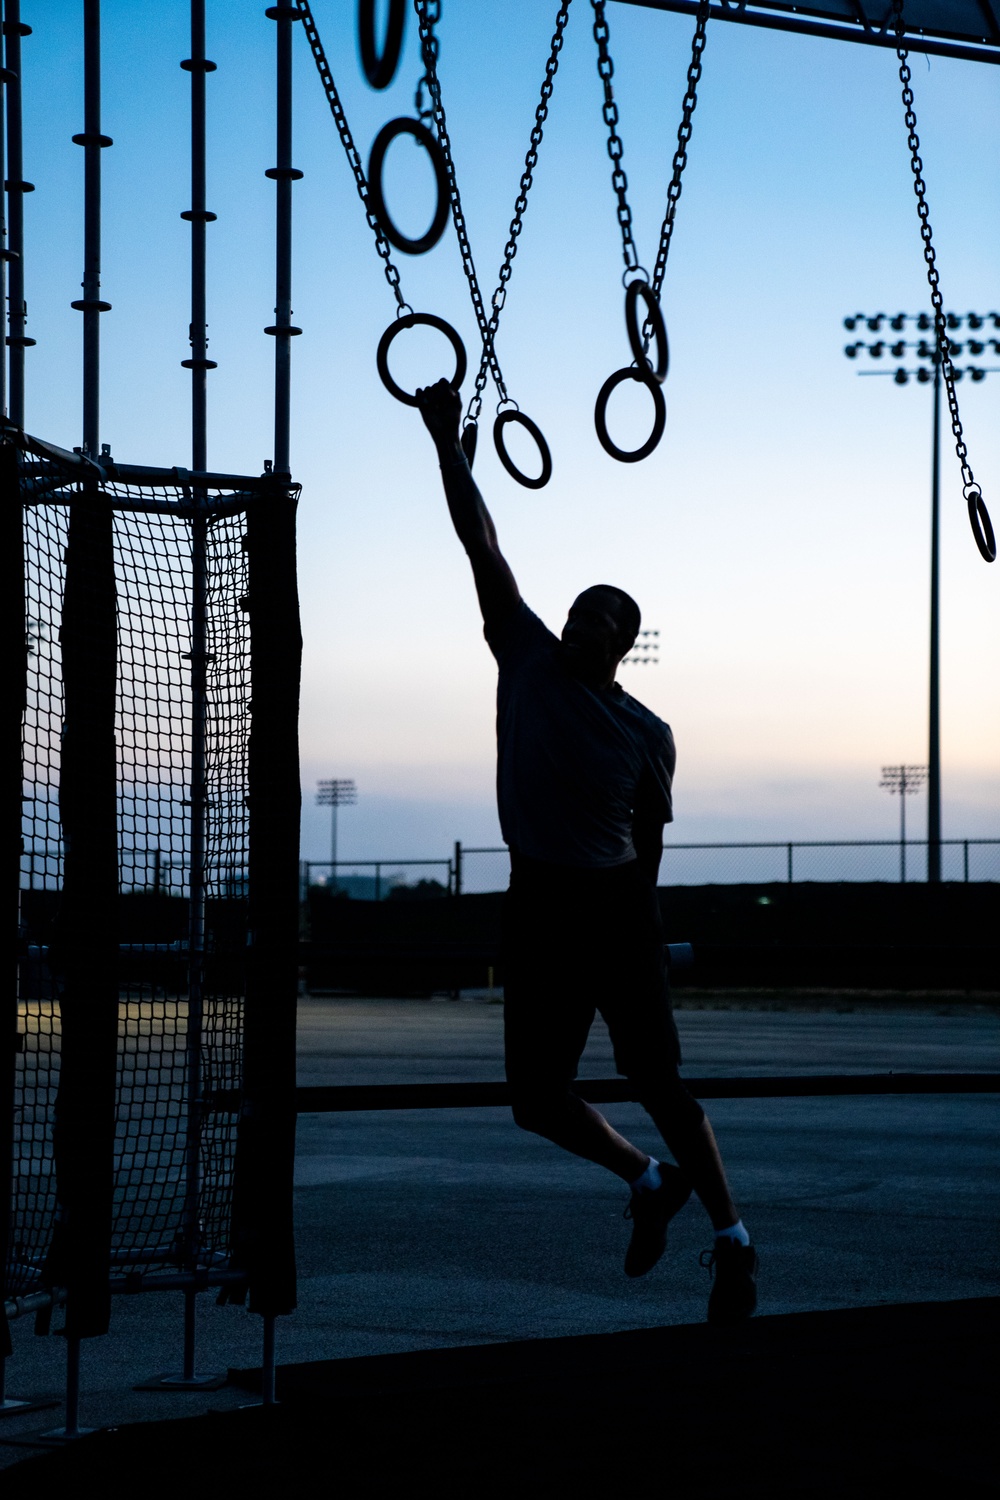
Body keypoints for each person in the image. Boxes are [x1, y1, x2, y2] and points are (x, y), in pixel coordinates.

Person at [416, 379, 757, 1323]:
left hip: (613, 910)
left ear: (623, 642)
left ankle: (733, 1239)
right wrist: (446, 442)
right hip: (538, 904)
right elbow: (480, 546)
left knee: (661, 1082)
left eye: (596, 617)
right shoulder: (522, 654)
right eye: (573, 609)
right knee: (535, 1097)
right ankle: (647, 1181)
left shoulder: (647, 732)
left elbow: (649, 844)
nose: (575, 621)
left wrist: (640, 929)